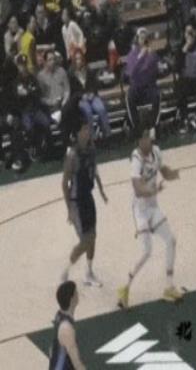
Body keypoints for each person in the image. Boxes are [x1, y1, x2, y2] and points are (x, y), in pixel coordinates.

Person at [117, 121, 184, 308]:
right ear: (139, 140)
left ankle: (169, 287)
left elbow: (164, 171)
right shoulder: (136, 159)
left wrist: (173, 174)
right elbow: (138, 190)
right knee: (147, 252)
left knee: (171, 240)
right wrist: (154, 190)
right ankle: (125, 287)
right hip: (140, 211)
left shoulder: (156, 152)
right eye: (145, 136)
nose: (149, 139)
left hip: (153, 208)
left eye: (149, 135)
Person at [61, 116, 108, 286]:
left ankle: (89, 273)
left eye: (89, 128)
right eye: (85, 129)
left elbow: (94, 170)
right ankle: (66, 270)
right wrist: (69, 209)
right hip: (77, 202)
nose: (88, 132)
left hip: (88, 197)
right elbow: (64, 184)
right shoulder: (72, 155)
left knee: (93, 236)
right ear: (77, 133)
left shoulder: (91, 150)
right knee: (86, 240)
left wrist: (101, 190)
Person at [12, 53, 50, 160]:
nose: (23, 67)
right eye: (21, 65)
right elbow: (17, 97)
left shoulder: (32, 78)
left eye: (24, 64)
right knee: (29, 128)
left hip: (35, 109)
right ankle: (32, 148)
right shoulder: (16, 81)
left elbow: (38, 92)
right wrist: (29, 91)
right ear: (18, 66)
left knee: (46, 123)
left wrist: (28, 92)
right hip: (25, 111)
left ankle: (44, 146)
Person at [68, 49, 110, 140]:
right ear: (74, 60)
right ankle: (92, 137)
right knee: (88, 111)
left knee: (101, 109)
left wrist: (92, 93)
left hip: (92, 96)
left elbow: (94, 85)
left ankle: (107, 134)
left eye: (80, 58)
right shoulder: (71, 74)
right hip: (80, 99)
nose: (79, 61)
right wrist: (82, 96)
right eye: (77, 59)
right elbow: (72, 91)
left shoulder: (88, 70)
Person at [124, 27, 161, 130]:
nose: (143, 40)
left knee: (157, 96)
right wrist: (140, 57)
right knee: (129, 98)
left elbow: (155, 71)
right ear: (137, 39)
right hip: (136, 86)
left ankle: (153, 126)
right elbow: (132, 72)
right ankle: (136, 127)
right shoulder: (132, 54)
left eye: (145, 38)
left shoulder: (152, 54)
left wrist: (151, 56)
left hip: (149, 86)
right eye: (141, 38)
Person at [48, 281, 86, 370]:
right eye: (76, 293)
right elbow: (77, 363)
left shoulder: (59, 314)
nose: (78, 294)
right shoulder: (66, 328)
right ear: (72, 299)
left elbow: (51, 349)